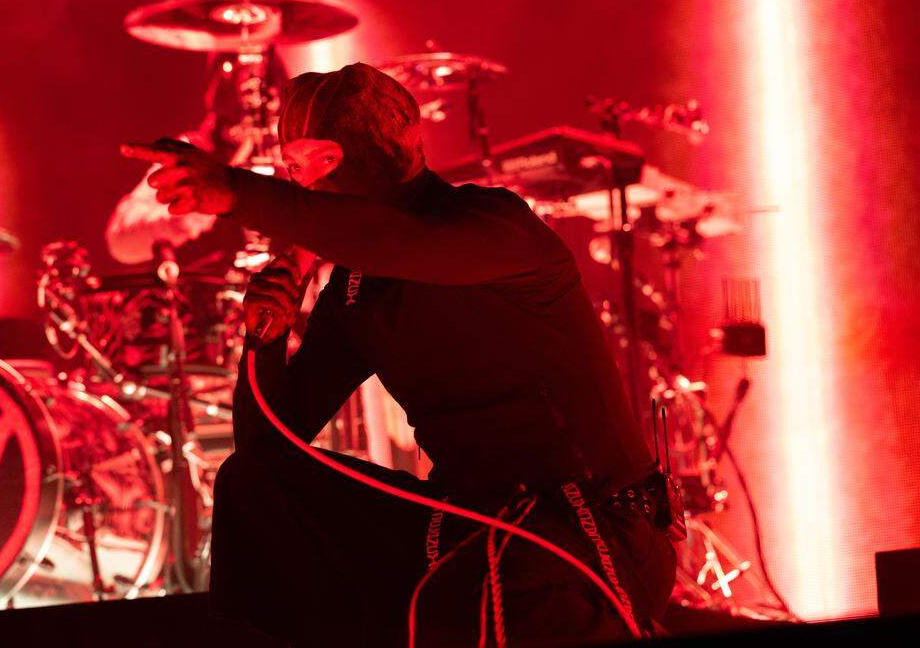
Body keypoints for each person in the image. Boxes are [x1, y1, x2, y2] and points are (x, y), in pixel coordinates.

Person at [121, 63, 677, 648]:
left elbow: (395, 241)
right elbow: (271, 444)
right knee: (254, 484)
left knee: (475, 594)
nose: (300, 182)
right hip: (470, 519)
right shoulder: (358, 288)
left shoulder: (494, 226)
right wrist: (264, 338)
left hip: (592, 523)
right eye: (289, 168)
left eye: (312, 163)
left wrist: (236, 192)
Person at [105, 52, 288, 266]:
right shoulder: (195, 151)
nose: (254, 96)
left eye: (262, 86)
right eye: (244, 81)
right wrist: (196, 207)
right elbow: (121, 241)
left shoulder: (299, 151)